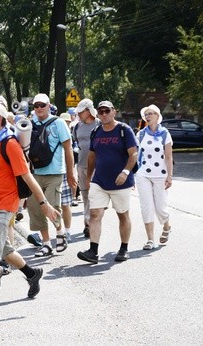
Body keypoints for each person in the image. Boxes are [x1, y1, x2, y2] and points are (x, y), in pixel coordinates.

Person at [0, 103, 60, 310]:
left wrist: (44, 204)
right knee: (4, 249)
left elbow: (27, 176)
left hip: (4, 203)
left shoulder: (9, 144)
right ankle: (31, 274)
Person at [77, 101, 138, 264]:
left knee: (123, 215)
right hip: (99, 181)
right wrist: (89, 177)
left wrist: (125, 172)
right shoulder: (96, 131)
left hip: (121, 182)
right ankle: (93, 251)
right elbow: (92, 156)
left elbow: (133, 154)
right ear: (97, 113)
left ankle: (124, 248)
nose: (104, 114)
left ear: (114, 112)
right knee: (95, 214)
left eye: (107, 111)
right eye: (101, 111)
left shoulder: (125, 130)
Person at [27, 93, 76, 257]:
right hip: (34, 172)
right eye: (36, 106)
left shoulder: (59, 123)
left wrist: (70, 173)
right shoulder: (29, 123)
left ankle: (60, 232)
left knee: (53, 205)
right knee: (35, 208)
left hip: (55, 172)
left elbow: (68, 148)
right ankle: (46, 244)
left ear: (49, 106)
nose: (39, 108)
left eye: (42, 105)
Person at [136, 104, 173, 249]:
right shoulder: (141, 134)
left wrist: (170, 176)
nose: (148, 116)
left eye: (151, 113)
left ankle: (166, 226)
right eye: (146, 114)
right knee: (146, 207)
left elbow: (169, 157)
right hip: (143, 174)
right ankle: (150, 239)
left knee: (160, 208)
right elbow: (136, 155)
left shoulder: (165, 133)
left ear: (158, 116)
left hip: (160, 175)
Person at [73, 99, 100, 238]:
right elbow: (77, 143)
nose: (78, 113)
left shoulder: (100, 125)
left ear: (88, 111)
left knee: (93, 195)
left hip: (97, 166)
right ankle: (88, 221)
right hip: (81, 165)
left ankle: (90, 223)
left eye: (81, 111)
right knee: (84, 195)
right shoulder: (77, 127)